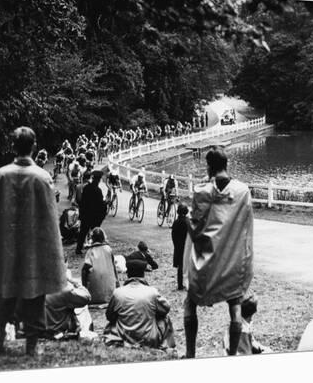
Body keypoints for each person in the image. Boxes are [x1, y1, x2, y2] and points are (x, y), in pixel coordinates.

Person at [0, 126, 66, 356]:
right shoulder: (42, 177)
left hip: (6, 247)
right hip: (34, 248)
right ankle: (32, 346)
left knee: (3, 292)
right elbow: (50, 219)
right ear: (34, 146)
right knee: (35, 295)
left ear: (12, 147)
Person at [183, 146, 254, 358]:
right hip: (233, 263)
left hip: (206, 264)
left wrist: (186, 218)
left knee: (190, 302)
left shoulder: (202, 192)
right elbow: (245, 228)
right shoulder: (243, 191)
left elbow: (196, 231)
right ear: (227, 164)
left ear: (209, 167)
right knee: (235, 306)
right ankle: (232, 354)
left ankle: (190, 354)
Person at [104, 259, 175, 349]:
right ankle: (167, 347)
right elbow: (166, 309)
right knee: (165, 318)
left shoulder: (117, 293)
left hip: (124, 338)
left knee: (112, 322)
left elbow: (109, 316)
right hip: (149, 340)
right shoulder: (152, 291)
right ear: (143, 275)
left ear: (127, 274)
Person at [45, 260, 92, 338]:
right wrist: (74, 282)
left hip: (40, 330)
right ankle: (86, 332)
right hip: (59, 331)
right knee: (83, 309)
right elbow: (87, 297)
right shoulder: (64, 289)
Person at [81, 228, 119, 304]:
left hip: (93, 297)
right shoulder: (108, 249)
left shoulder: (90, 251)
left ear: (92, 239)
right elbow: (113, 267)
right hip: (110, 295)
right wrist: (117, 283)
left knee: (84, 270)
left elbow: (85, 270)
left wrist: (84, 287)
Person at [77, 170, 107, 254]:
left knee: (83, 232)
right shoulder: (98, 190)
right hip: (94, 215)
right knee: (95, 232)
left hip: (86, 214)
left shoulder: (86, 188)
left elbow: (82, 202)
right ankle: (95, 248)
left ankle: (78, 248)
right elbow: (101, 204)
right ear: (98, 180)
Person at [171, 204, 190, 290]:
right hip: (186, 245)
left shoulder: (175, 222)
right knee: (187, 265)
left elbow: (173, 235)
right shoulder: (188, 222)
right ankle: (188, 283)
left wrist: (175, 244)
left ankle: (180, 284)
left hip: (178, 246)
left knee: (180, 266)